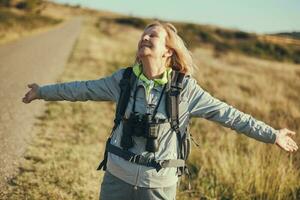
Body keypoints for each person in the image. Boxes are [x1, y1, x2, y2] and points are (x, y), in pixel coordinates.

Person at [22, 21, 298, 200]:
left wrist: (271, 134)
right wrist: (42, 91)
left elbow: (230, 115)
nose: (144, 37)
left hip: (158, 184)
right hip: (116, 177)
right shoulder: (123, 80)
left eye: (152, 35)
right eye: (143, 34)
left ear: (168, 51)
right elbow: (81, 89)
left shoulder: (186, 90)